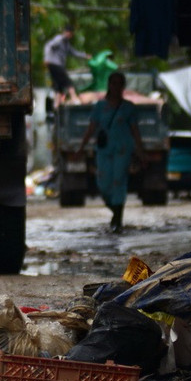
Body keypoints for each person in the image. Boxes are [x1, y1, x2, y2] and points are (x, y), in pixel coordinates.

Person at [79, 72, 146, 233]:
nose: (116, 87)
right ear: (109, 85)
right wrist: (81, 147)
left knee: (119, 181)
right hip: (104, 149)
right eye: (113, 83)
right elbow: (91, 128)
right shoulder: (100, 107)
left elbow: (135, 131)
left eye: (119, 84)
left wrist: (141, 151)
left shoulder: (129, 108)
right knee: (103, 183)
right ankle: (115, 211)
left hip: (123, 149)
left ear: (123, 86)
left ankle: (117, 219)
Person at [43, 25, 90, 107]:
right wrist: (47, 58)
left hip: (58, 64)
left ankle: (56, 105)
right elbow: (49, 46)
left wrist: (84, 55)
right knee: (67, 81)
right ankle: (74, 98)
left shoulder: (67, 43)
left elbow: (73, 52)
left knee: (59, 85)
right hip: (54, 63)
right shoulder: (59, 38)